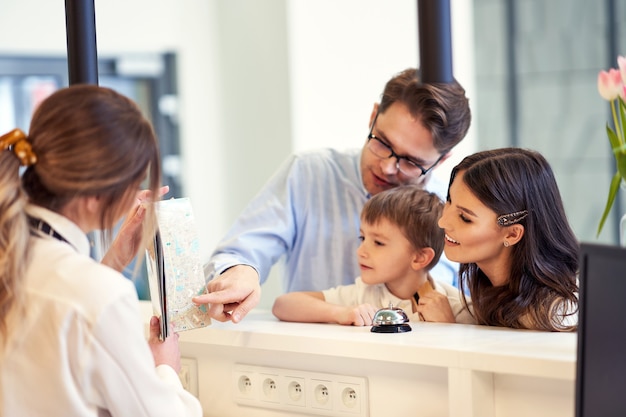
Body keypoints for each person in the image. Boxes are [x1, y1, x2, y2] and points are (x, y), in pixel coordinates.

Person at [195, 68, 472, 323]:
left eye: (411, 162)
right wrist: (240, 273)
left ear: (443, 159)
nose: (387, 167)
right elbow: (241, 251)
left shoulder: (455, 214)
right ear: (373, 116)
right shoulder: (308, 173)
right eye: (382, 142)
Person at [0, 85, 202, 416]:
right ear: (95, 195)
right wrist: (165, 370)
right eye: (133, 180)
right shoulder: (98, 295)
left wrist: (113, 261)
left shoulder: (16, 254)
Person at [272, 186, 475, 326]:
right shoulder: (363, 294)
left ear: (419, 258)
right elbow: (283, 305)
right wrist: (340, 313)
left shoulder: (457, 307)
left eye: (378, 242)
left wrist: (447, 325)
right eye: (362, 238)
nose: (361, 251)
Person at [424, 147, 578, 332]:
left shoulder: (554, 317)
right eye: (448, 201)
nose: (442, 222)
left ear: (512, 234)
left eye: (465, 218)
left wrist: (447, 329)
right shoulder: (489, 294)